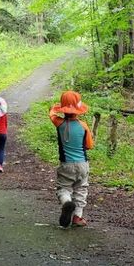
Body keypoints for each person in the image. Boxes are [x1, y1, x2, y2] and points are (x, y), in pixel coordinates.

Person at [49, 90, 94, 228]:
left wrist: (57, 107)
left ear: (64, 109)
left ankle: (66, 202)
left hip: (66, 165)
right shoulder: (83, 126)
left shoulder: (59, 123)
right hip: (82, 165)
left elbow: (51, 113)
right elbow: (89, 145)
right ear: (79, 109)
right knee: (81, 190)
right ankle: (77, 217)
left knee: (64, 188)